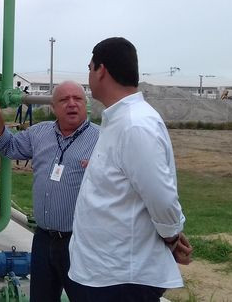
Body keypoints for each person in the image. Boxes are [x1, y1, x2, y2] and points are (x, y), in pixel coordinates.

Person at [68, 37, 192, 302]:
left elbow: (161, 196)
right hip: (103, 273)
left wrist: (172, 237)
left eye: (90, 68)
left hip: (121, 280)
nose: (88, 75)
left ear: (101, 70)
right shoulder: (119, 120)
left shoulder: (135, 125)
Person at [0, 81, 100, 302]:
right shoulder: (40, 133)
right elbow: (9, 147)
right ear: (53, 107)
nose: (72, 104)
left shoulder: (102, 140)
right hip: (44, 239)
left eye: (78, 99)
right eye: (64, 100)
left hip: (81, 243)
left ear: (86, 105)